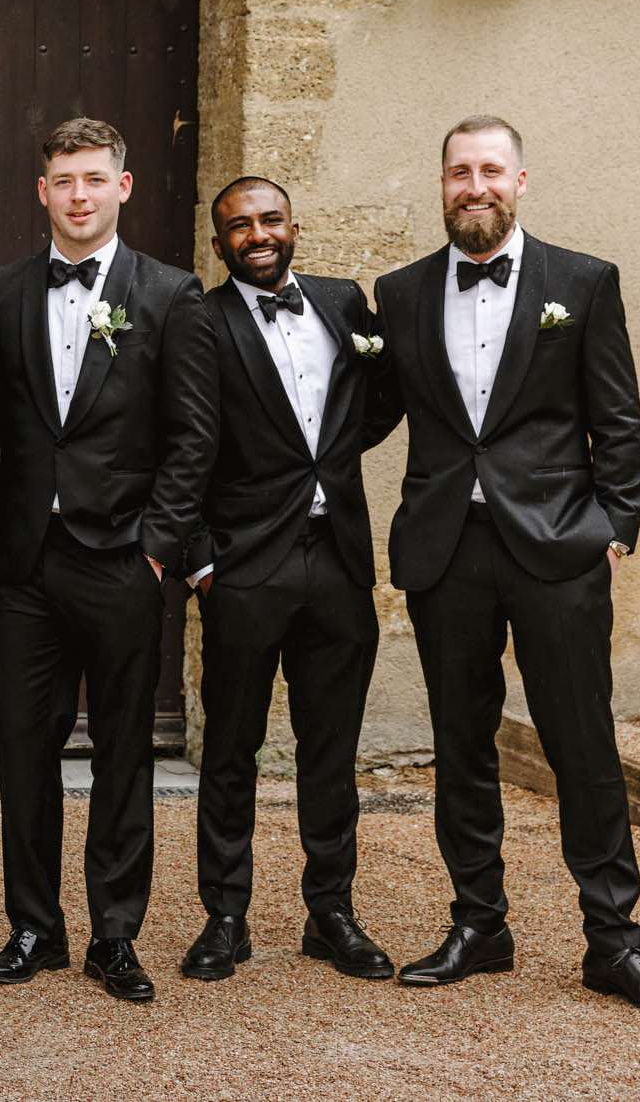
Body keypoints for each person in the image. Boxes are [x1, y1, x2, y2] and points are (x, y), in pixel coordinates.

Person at [373, 116, 640, 1015]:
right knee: (459, 743)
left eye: (489, 171)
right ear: (441, 184)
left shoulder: (581, 282)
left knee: (582, 744)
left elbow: (618, 415)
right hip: (447, 549)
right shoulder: (399, 294)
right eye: (457, 172)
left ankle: (613, 941)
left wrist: (614, 526)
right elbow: (369, 410)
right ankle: (481, 923)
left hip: (558, 543)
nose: (472, 187)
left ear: (521, 181)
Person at [0, 116, 218, 1003]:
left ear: (123, 186)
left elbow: (194, 438)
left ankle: (116, 932)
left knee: (123, 751)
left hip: (124, 563)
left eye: (92, 179)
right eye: (62, 179)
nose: (78, 194)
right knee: (22, 751)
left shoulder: (172, 296)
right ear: (43, 192)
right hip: (25, 567)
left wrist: (157, 548)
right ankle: (34, 926)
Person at [179, 176, 401, 984]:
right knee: (232, 746)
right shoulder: (199, 320)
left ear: (295, 227)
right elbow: (176, 440)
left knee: (330, 748)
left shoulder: (346, 304)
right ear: (220, 245)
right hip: (243, 563)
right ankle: (225, 917)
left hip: (337, 557)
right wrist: (200, 558)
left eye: (270, 220)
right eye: (240, 227)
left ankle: (331, 912)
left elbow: (383, 398)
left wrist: (336, 460)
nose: (258, 235)